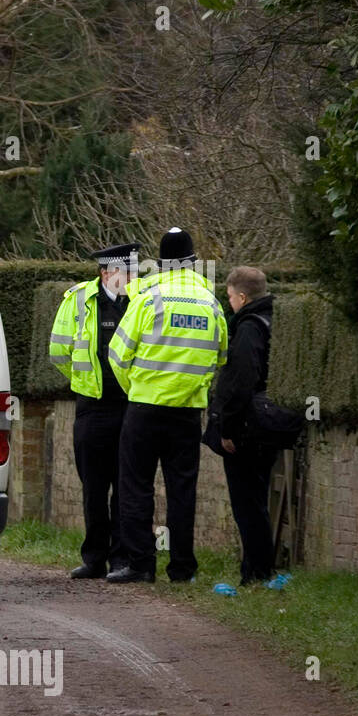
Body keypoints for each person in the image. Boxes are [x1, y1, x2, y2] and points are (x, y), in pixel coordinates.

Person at [106, 228, 228, 584]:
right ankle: (182, 569)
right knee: (182, 490)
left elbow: (117, 354)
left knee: (136, 486)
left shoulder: (149, 297)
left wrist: (136, 389)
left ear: (160, 263)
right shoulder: (210, 301)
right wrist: (194, 386)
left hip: (144, 408)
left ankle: (141, 565)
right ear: (192, 262)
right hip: (188, 412)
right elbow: (221, 356)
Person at [48, 242, 141, 578]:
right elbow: (58, 352)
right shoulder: (78, 299)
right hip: (91, 406)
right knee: (93, 484)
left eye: (134, 271)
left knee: (125, 484)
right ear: (106, 273)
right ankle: (93, 557)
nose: (132, 278)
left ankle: (121, 558)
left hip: (130, 406)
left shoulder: (143, 299)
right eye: (125, 272)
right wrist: (86, 382)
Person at [210, 266, 279, 585]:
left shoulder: (249, 327)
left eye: (229, 296)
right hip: (267, 423)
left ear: (242, 296)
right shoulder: (272, 320)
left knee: (247, 503)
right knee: (257, 499)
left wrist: (228, 429)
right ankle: (256, 569)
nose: (229, 302)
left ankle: (257, 573)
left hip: (248, 428)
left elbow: (241, 382)